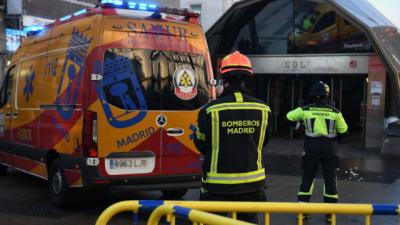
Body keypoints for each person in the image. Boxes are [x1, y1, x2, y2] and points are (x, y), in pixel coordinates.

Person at [193, 51, 272, 223]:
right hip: (253, 186)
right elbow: (263, 142)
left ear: (224, 79)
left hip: (217, 188)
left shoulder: (210, 110)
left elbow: (200, 144)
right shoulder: (263, 109)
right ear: (247, 78)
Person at [286, 81, 348, 223]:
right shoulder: (335, 112)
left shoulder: (305, 110)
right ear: (327, 95)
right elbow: (344, 131)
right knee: (330, 179)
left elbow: (288, 117)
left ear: (313, 96)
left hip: (311, 147)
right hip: (330, 149)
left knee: (307, 178)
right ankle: (330, 214)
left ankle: (302, 212)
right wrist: (337, 139)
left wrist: (299, 127)